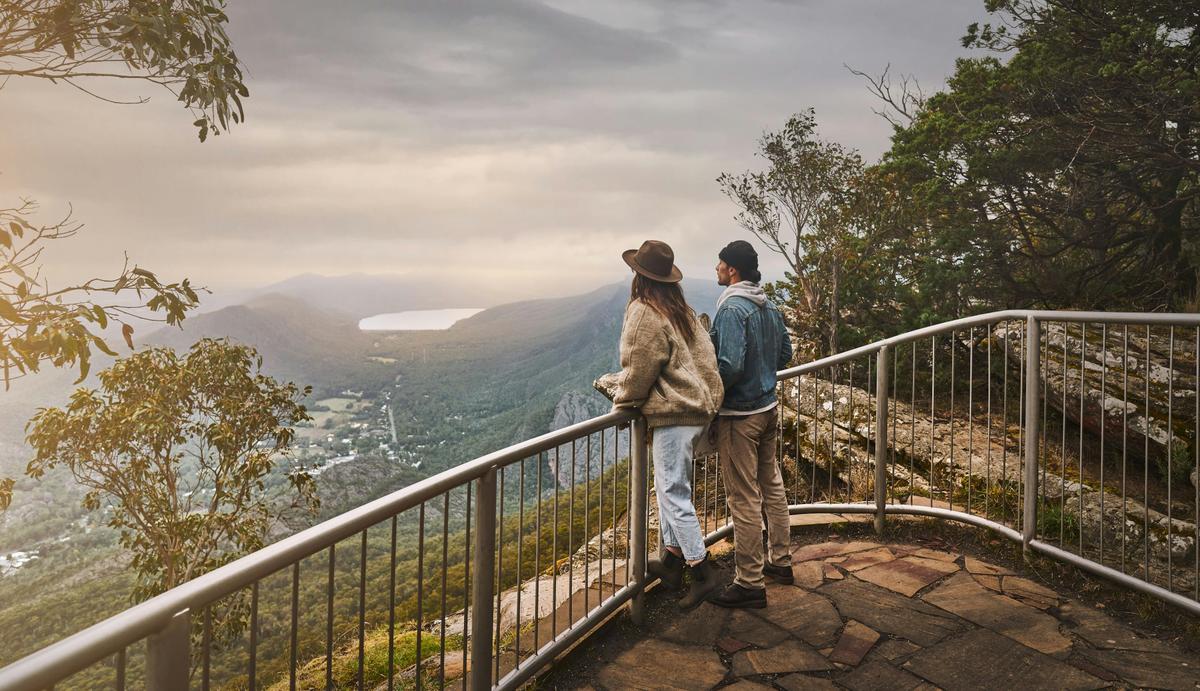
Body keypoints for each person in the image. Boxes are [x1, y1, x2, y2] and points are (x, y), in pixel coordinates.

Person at [612, 240, 725, 610]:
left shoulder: (644, 311)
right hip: (697, 411)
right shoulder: (682, 310)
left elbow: (638, 366)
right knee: (671, 490)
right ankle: (673, 561)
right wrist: (710, 402)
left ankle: (701, 570)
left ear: (638, 277)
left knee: (673, 494)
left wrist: (624, 399)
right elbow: (707, 362)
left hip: (674, 415)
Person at [707, 240, 794, 609]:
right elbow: (786, 354)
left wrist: (708, 399)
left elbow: (729, 366)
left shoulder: (731, 310)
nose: (716, 269)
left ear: (733, 271)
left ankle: (750, 582)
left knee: (743, 497)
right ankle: (782, 562)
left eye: (720, 263)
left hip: (740, 417)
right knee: (771, 485)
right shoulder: (768, 304)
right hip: (769, 408)